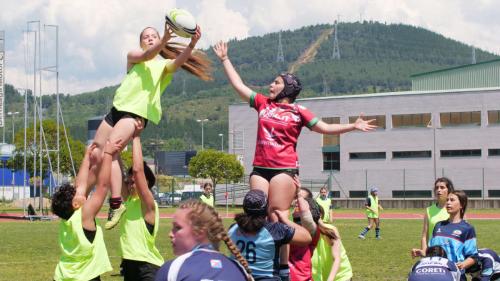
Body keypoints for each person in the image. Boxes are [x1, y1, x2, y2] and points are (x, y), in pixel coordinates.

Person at [212, 41, 376, 222]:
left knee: (277, 215)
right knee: (255, 211)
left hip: (284, 169)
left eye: (276, 82)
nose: (271, 85)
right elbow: (238, 85)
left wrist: (353, 125)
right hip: (260, 168)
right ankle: (262, 249)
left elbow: (326, 128)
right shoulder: (262, 103)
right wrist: (225, 59)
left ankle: (283, 250)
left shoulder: (299, 111)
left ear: (288, 89)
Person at [90, 22, 212, 230]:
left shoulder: (162, 65)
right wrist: (162, 40)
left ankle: (116, 203)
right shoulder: (133, 57)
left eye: (153, 36)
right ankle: (82, 196)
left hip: (135, 114)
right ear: (140, 42)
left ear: (160, 41)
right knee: (96, 154)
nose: (149, 38)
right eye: (145, 36)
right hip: (116, 110)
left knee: (111, 149)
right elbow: (146, 55)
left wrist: (191, 44)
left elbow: (178, 62)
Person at [52, 140, 122, 280]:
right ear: (76, 204)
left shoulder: (67, 220)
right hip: (85, 277)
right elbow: (102, 186)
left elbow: (80, 183)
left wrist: (86, 157)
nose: (79, 190)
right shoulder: (85, 215)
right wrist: (108, 154)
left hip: (62, 275)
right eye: (76, 193)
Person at [154, 199, 252, 281]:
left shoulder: (174, 269)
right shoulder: (239, 270)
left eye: (178, 227)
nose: (170, 234)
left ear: (200, 232)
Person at [228, 189, 312, 281]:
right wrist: (285, 220)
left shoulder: (232, 228)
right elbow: (307, 237)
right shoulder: (274, 230)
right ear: (266, 208)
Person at [119, 119, 164, 281]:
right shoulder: (129, 201)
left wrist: (136, 137)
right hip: (129, 265)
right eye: (129, 182)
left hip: (147, 267)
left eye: (134, 182)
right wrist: (114, 152)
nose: (131, 184)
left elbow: (138, 170)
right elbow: (118, 176)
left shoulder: (148, 205)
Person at [413, 190, 478, 281]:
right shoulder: (438, 225)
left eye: (452, 200)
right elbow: (432, 251)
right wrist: (423, 252)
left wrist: (462, 265)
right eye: (447, 200)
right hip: (436, 275)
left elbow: (474, 257)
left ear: (461, 205)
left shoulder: (467, 229)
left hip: (455, 276)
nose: (448, 203)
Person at [411, 177, 454, 258]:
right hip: (433, 253)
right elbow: (424, 236)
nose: (439, 190)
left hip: (451, 253)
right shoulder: (429, 210)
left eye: (442, 187)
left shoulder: (455, 209)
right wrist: (424, 251)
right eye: (437, 188)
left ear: (449, 190)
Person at [288, 185, 322, 281]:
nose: (296, 202)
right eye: (295, 198)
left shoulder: (311, 229)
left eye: (301, 200)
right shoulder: (291, 225)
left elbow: (307, 219)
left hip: (301, 278)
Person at [312, 207, 353, 281]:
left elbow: (336, 259)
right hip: (322, 276)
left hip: (340, 276)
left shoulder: (330, 230)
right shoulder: (305, 234)